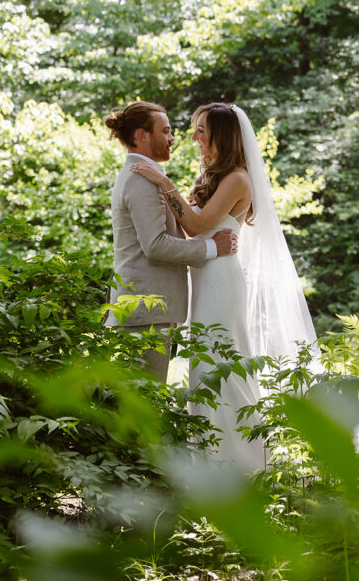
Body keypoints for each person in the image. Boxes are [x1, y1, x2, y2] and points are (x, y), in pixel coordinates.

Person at [131, 103, 318, 473]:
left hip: (220, 281)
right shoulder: (214, 176)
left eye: (202, 129)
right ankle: (207, 457)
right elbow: (191, 228)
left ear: (223, 134)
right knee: (204, 365)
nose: (195, 136)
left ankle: (241, 462)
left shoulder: (238, 178)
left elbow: (197, 226)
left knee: (222, 362)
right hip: (206, 275)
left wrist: (164, 183)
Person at [103, 101, 237, 383]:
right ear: (142, 135)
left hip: (150, 310)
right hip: (144, 311)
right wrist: (214, 247)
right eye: (165, 131)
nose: (173, 138)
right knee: (144, 405)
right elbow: (156, 245)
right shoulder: (141, 178)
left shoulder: (146, 174)